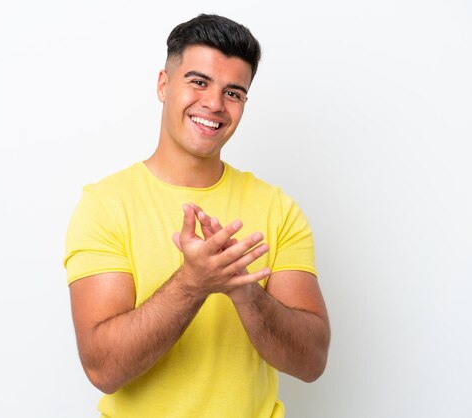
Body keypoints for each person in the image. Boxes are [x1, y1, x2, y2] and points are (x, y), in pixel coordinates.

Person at [64, 14, 330, 418]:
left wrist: (242, 289)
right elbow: (104, 368)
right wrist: (193, 284)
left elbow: (311, 362)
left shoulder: (279, 208)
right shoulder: (105, 205)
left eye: (234, 92)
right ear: (163, 85)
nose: (214, 104)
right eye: (199, 82)